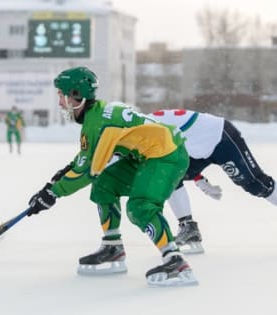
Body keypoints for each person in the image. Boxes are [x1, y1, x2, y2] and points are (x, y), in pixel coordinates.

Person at [26, 66, 198, 287]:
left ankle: (174, 259)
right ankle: (112, 247)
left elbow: (87, 170)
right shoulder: (96, 115)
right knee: (104, 184)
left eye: (62, 95)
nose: (60, 102)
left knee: (140, 207)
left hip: (166, 154)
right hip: (147, 154)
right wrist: (62, 175)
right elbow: (90, 159)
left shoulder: (97, 123)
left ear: (77, 95)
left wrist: (52, 193)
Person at [85, 108, 277, 255]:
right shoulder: (133, 127)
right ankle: (189, 227)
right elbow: (173, 155)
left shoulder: (140, 132)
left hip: (220, 137)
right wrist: (199, 178)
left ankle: (188, 226)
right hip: (195, 146)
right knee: (167, 177)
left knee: (257, 185)